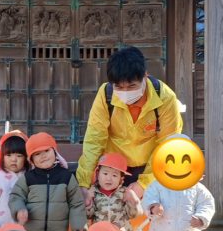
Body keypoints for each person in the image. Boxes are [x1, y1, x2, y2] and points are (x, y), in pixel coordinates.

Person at [76, 46, 182, 204]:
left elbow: (167, 145)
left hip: (149, 167)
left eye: (132, 86)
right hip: (112, 168)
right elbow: (95, 138)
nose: (125, 92)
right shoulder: (106, 94)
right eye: (119, 87)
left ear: (145, 76)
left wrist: (143, 183)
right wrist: (83, 182)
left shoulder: (166, 98)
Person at [141, 137, 215, 231]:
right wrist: (153, 206)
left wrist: (201, 218)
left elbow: (207, 203)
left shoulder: (197, 188)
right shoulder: (158, 185)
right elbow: (148, 197)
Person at [85, 153, 144, 231]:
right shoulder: (93, 192)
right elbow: (89, 215)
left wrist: (134, 202)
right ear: (97, 174)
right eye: (105, 174)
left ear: (121, 179)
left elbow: (133, 214)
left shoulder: (124, 193)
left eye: (114, 175)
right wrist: (88, 203)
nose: (109, 178)